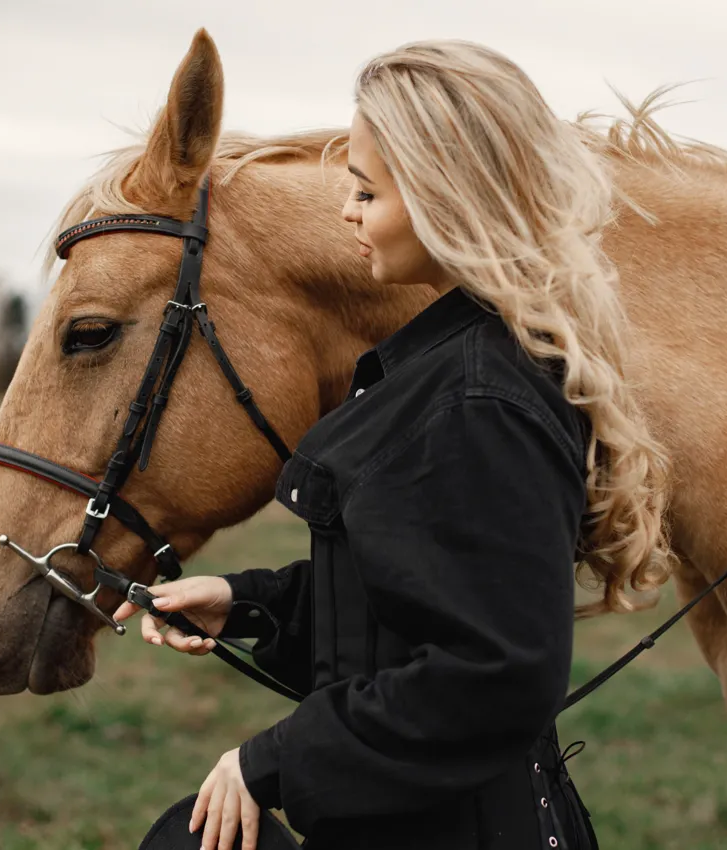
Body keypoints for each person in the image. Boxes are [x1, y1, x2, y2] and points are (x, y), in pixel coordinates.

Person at [114, 39, 673, 850]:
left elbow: (499, 672)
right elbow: (413, 605)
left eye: (367, 191)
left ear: (449, 195)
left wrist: (268, 762)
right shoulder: (452, 365)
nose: (348, 211)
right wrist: (247, 603)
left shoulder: (477, 399)